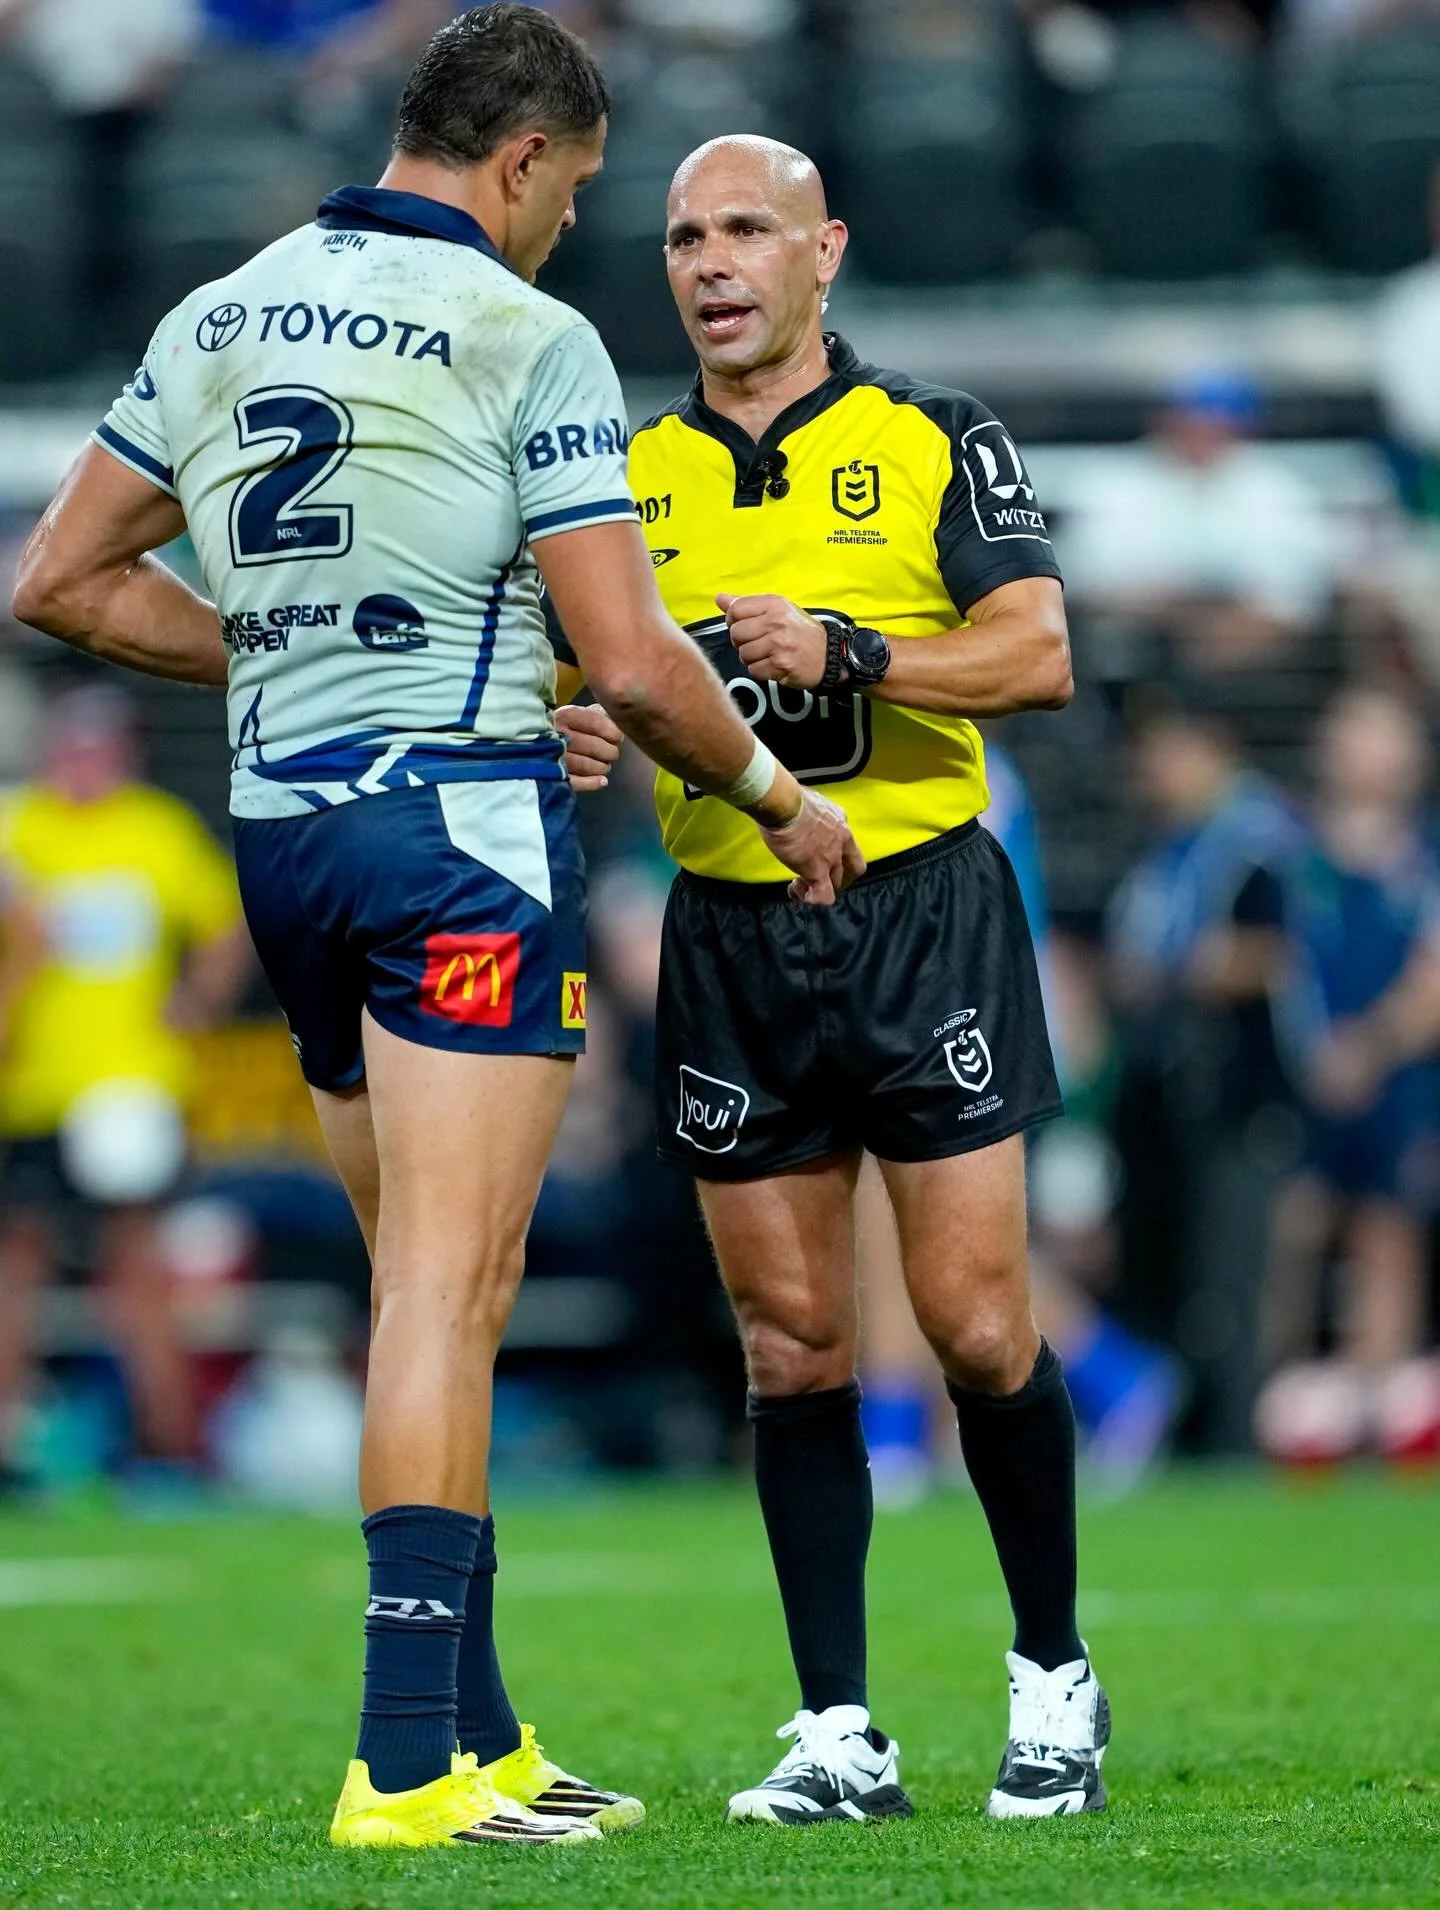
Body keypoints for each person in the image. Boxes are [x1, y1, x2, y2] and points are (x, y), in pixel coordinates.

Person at [12, 6, 859, 1853]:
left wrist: (295, 657)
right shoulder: (523, 331)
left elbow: (59, 578)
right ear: (526, 158)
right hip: (458, 848)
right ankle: (404, 1765)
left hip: (286, 846)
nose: (575, 225)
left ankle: (479, 1734)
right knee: (444, 1295)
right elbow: (634, 660)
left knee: (424, 1282)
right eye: (583, 190)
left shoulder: (220, 311)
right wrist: (785, 804)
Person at [553, 134, 1107, 1821]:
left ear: (825, 251)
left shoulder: (934, 434)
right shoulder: (628, 472)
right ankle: (837, 1730)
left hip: (921, 910)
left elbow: (1041, 650)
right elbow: (581, 665)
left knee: (977, 1324)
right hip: (729, 929)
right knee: (790, 1344)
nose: (712, 262)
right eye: (683, 238)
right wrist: (571, 723)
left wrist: (854, 651)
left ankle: (1053, 1676)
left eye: (746, 230)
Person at [0, 685, 249, 1496]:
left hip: (129, 1086)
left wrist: (194, 1004)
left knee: (136, 1271)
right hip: (33, 1088)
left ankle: (168, 1446)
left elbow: (225, 925)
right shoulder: (18, 826)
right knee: (20, 1270)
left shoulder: (153, 829)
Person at [1107, 697, 1304, 1451]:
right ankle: (1189, 1435)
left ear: (1211, 748)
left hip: (1243, 1090)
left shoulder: (1258, 838)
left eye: (1167, 750)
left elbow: (1276, 952)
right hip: (1176, 1091)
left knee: (1231, 1274)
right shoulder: (1172, 843)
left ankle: (1231, 1440)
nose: (1152, 769)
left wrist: (1185, 968)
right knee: (1183, 1268)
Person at [1260, 687, 1440, 1460]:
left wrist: (1374, 1045)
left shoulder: (1422, 859)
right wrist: (1318, 1052)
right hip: (1311, 1076)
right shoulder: (1295, 854)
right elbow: (1282, 963)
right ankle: (1293, 1396)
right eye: (1350, 731)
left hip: (1398, 1075)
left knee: (1388, 1233)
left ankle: (1382, 1404)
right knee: (1299, 1228)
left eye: (1379, 733)